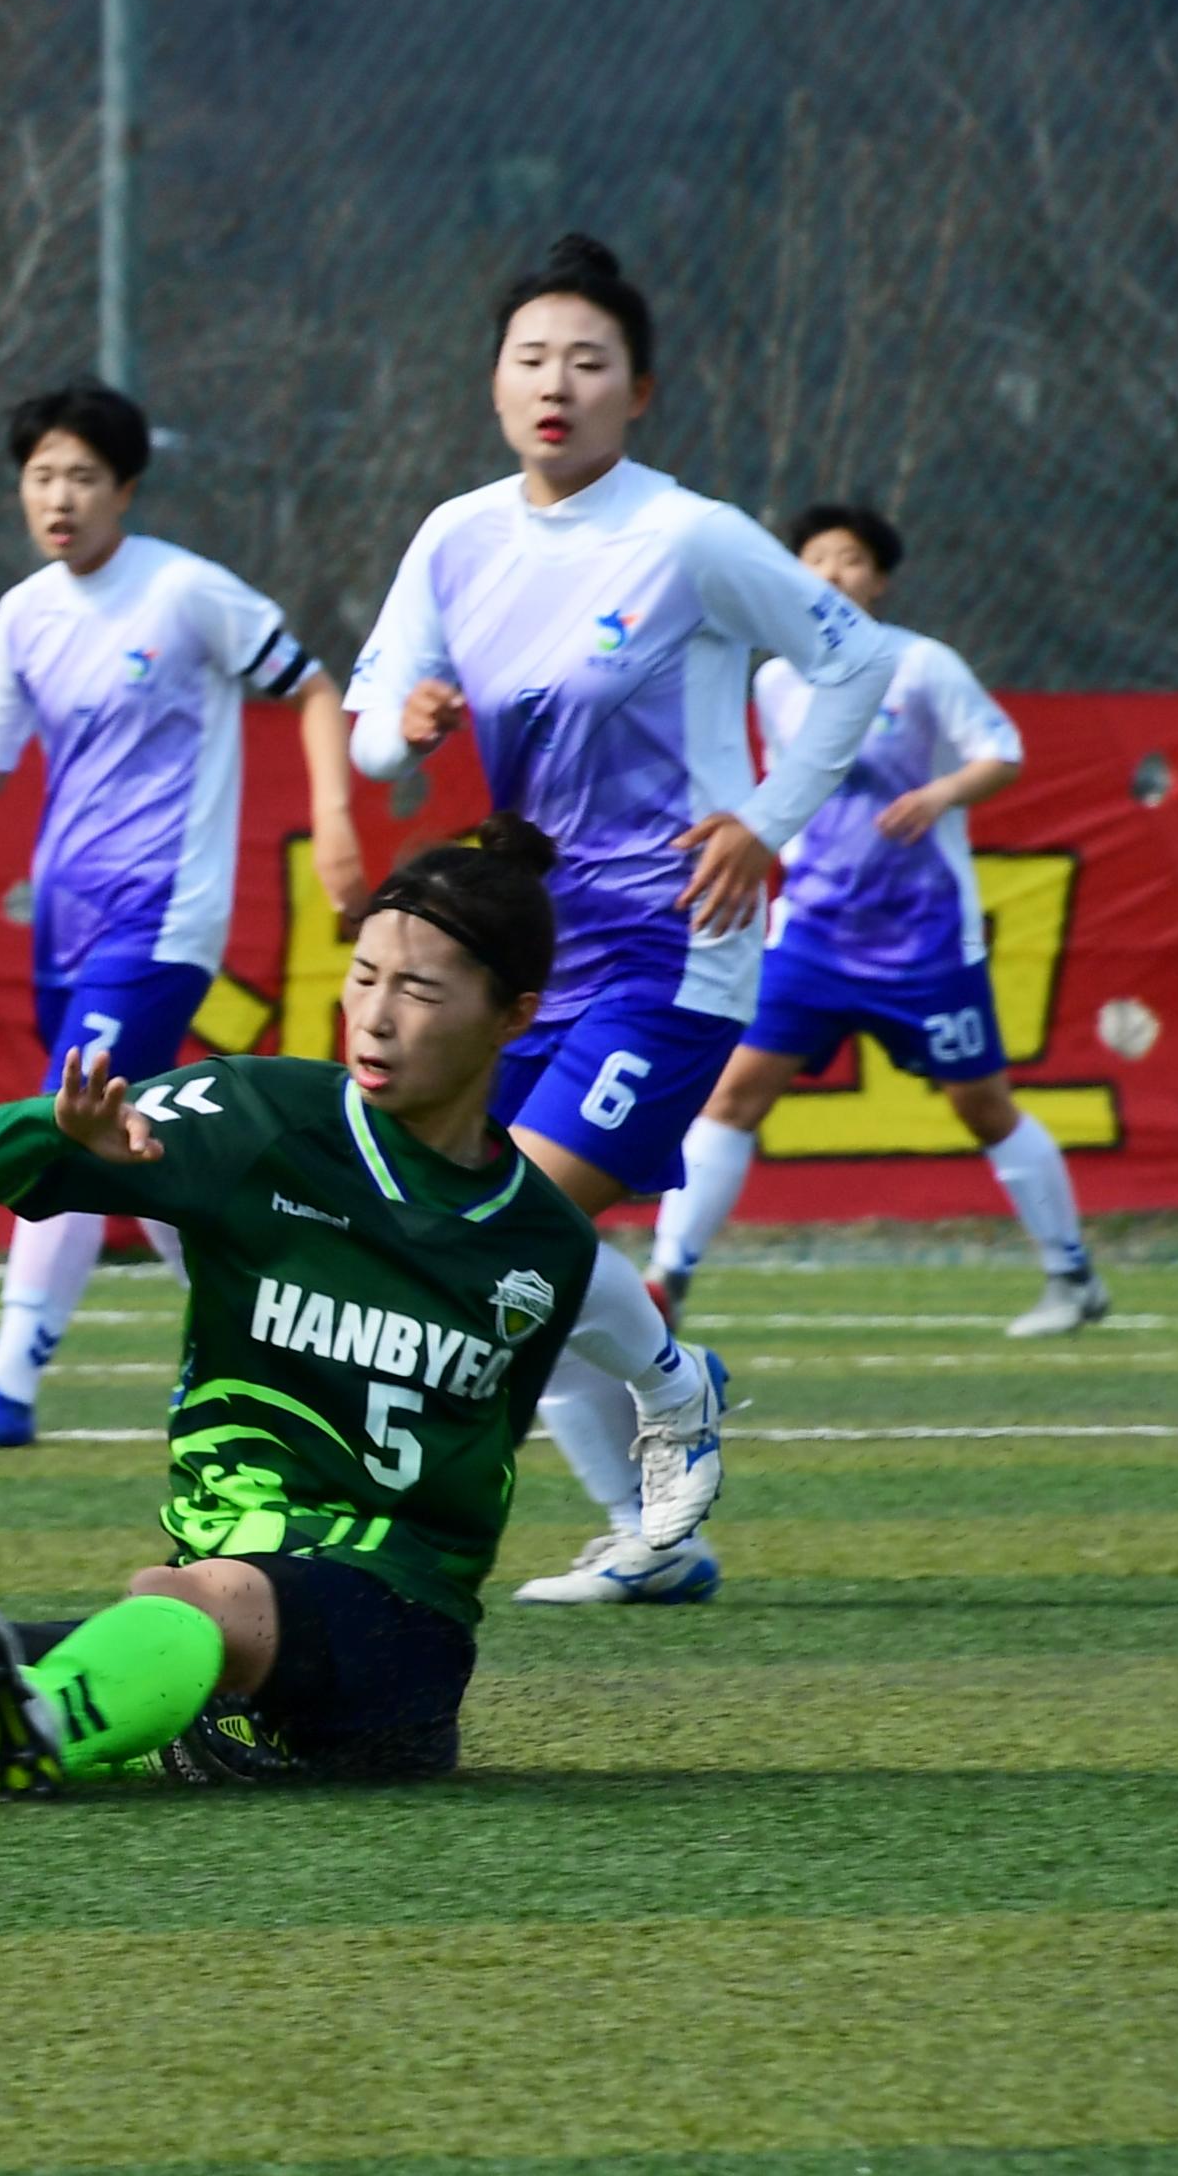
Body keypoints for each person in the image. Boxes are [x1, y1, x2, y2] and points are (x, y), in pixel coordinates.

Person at [0, 817, 725, 1791]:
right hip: (217, 1608)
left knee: (198, 1596)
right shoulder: (257, 1116)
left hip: (396, 1631)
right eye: (362, 976)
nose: (375, 1014)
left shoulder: (544, 1240)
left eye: (418, 988)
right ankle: (44, 1721)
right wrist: (59, 1130)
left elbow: (512, 1448)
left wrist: (671, 1407)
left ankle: (53, 1720)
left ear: (514, 1014)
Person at [343, 235, 885, 1608]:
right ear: (495, 379)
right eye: (532, 357)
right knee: (506, 1232)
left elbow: (854, 661)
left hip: (672, 955)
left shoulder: (688, 536)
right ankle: (654, 1536)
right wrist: (397, 729)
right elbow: (367, 727)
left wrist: (767, 820)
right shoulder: (456, 536)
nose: (556, 383)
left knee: (505, 1219)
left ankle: (665, 1385)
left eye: (589, 362)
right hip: (521, 965)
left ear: (638, 390)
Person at [0, 381, 362, 1452]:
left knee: (67, 1123)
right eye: (42, 475)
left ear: (126, 487)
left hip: (163, 912)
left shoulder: (185, 593)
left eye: (83, 475)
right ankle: (256, 1346)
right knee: (143, 1137)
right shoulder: (24, 612)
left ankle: (9, 1380)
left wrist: (332, 817)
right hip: (66, 920)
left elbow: (313, 687)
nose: (60, 496)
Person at [647, 505, 1104, 1337]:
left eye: (851, 559)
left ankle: (1073, 1278)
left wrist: (937, 794)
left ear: (880, 579)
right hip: (813, 934)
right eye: (814, 557)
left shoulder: (923, 665)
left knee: (983, 1106)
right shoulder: (776, 678)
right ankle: (667, 1280)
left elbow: (1000, 751)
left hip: (924, 940)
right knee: (734, 1095)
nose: (830, 572)